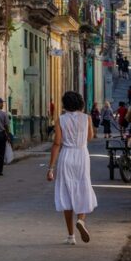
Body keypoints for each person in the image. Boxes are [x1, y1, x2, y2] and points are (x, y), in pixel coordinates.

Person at [47, 91, 97, 245]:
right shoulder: (86, 118)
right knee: (83, 188)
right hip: (82, 155)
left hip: (66, 156)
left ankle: (71, 236)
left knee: (66, 193)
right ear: (80, 103)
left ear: (65, 104)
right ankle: (81, 220)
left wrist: (50, 168)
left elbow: (57, 143)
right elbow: (90, 137)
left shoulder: (60, 119)